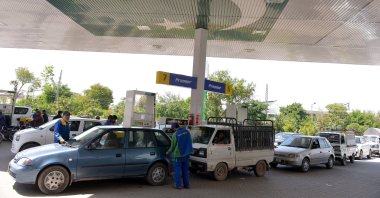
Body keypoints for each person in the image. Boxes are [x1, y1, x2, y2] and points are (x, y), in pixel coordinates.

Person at [166, 123, 193, 189]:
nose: (173, 130)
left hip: (178, 155)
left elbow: (172, 147)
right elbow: (190, 142)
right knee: (185, 170)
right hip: (186, 154)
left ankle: (178, 185)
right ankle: (187, 185)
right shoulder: (187, 132)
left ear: (174, 128)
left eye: (173, 129)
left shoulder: (175, 134)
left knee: (177, 170)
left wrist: (167, 152)